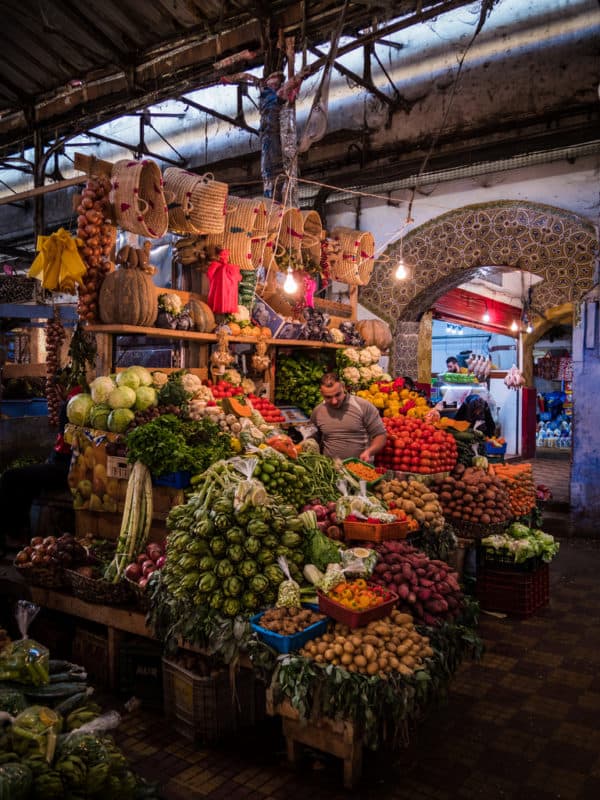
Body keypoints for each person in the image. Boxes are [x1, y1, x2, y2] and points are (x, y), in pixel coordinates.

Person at [0, 387, 80, 556]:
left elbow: (65, 441)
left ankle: (12, 535)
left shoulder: (73, 404)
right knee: (21, 482)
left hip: (64, 468)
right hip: (60, 464)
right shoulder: (75, 402)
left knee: (10, 477)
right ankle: (19, 534)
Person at [308, 372, 387, 462]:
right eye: (328, 397)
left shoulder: (362, 406)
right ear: (321, 393)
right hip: (330, 471)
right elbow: (311, 438)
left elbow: (381, 435)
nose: (334, 401)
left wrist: (369, 452)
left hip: (360, 470)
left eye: (337, 395)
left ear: (343, 387)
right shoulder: (317, 412)